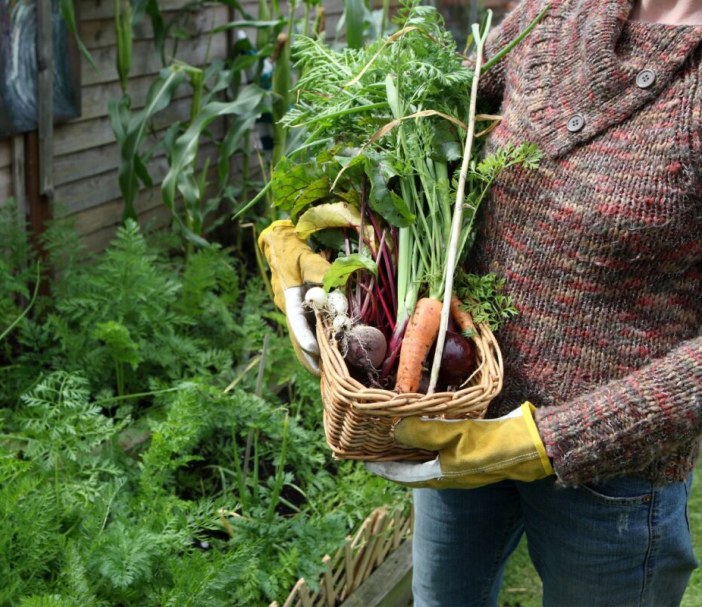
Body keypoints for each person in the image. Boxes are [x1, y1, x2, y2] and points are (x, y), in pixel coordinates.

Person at [259, 0, 702, 604]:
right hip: (460, 411)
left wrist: (547, 439)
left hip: (612, 477)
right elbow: (419, 128)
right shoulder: (557, 12)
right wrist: (309, 247)